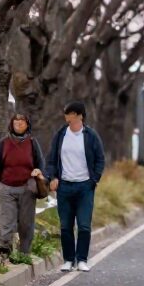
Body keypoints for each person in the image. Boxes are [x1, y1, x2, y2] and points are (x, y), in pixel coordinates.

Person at [45, 100, 106, 273]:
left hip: (85, 187)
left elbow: (100, 158)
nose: (66, 116)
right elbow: (51, 160)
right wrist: (53, 177)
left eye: (70, 113)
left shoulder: (90, 135)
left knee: (84, 225)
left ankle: (82, 259)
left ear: (79, 115)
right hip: (64, 186)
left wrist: (94, 179)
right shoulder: (60, 135)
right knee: (65, 225)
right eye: (66, 113)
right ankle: (68, 259)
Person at [0, 111, 45, 257]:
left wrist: (38, 172)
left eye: (22, 122)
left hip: (27, 188)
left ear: (27, 125)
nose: (19, 124)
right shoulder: (4, 143)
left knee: (26, 224)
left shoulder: (32, 142)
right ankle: (6, 249)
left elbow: (41, 164)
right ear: (11, 124)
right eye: (16, 122)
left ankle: (24, 253)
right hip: (6, 188)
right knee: (7, 221)